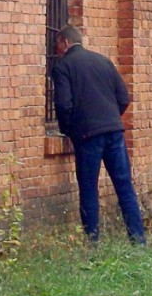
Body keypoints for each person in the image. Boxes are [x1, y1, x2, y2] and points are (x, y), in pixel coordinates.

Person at [51, 24, 146, 244]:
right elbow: (123, 97)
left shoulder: (63, 67)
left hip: (87, 136)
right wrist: (112, 118)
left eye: (57, 47)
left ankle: (92, 242)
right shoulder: (103, 61)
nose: (56, 52)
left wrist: (70, 130)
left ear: (65, 43)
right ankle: (138, 240)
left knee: (89, 187)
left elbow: (64, 106)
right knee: (124, 185)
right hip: (114, 131)